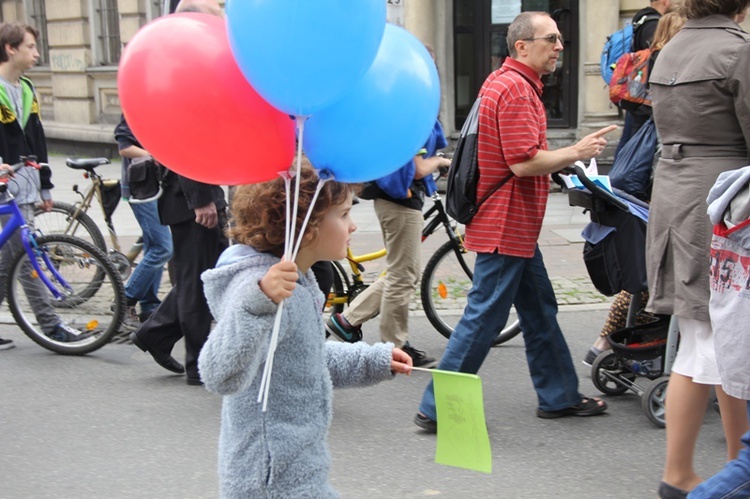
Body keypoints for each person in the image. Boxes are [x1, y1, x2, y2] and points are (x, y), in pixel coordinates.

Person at [414, 11, 615, 433]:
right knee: (484, 317)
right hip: (506, 224)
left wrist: (561, 164)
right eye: (551, 39)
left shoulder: (502, 82)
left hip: (510, 224)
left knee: (539, 310)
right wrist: (575, 152)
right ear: (522, 46)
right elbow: (524, 164)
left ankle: (559, 396)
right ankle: (435, 406)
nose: (560, 46)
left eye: (560, 39)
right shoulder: (518, 90)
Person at [198, 166, 412, 497]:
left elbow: (303, 357)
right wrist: (259, 301)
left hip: (299, 470)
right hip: (270, 481)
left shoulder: (301, 281)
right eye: (343, 214)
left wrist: (375, 359)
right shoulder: (263, 289)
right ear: (308, 226)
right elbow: (218, 374)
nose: (353, 224)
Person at [646, 1, 750, 497]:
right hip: (725, 203)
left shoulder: (670, 49)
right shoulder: (737, 51)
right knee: (721, 346)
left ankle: (706, 468)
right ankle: (710, 472)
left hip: (674, 194)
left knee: (706, 343)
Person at [129, 0, 228, 386]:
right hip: (191, 198)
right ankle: (198, 365)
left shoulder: (188, 69)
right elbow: (186, 140)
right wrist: (201, 198)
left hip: (198, 193)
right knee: (196, 281)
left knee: (212, 273)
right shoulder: (186, 73)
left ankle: (155, 333)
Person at [583, 10, 687, 366]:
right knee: (652, 274)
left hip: (636, 161)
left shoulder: (646, 63)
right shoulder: (677, 71)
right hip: (655, 176)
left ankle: (604, 343)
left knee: (643, 270)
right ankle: (614, 344)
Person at [325, 117, 452, 368]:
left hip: (394, 202)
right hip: (400, 204)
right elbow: (417, 169)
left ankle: (347, 320)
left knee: (402, 272)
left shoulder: (399, 117)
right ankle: (394, 347)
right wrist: (440, 161)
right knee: (403, 275)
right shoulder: (411, 121)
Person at [0, 22, 91, 348]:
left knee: (13, 259)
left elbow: (37, 140)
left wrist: (45, 187)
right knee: (26, 260)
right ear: (11, 49)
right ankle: (51, 326)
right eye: (30, 47)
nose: (37, 54)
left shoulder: (26, 88)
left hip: (23, 188)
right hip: (3, 189)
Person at [113, 115, 173, 326]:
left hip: (158, 187)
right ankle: (125, 300)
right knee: (163, 248)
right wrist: (152, 155)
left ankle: (149, 306)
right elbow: (124, 147)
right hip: (140, 188)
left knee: (152, 246)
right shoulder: (134, 107)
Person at [613, 0, 671, 160]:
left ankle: (617, 176)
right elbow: (653, 61)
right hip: (644, 94)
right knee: (636, 143)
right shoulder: (654, 24)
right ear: (666, 1)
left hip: (635, 89)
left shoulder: (640, 20)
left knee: (629, 140)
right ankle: (623, 179)